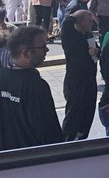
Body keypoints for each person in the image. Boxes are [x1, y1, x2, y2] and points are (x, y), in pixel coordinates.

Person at [0, 25, 62, 149]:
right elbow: (48, 131)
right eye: (43, 47)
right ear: (26, 53)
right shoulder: (36, 86)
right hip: (32, 158)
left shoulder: (2, 76)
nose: (47, 51)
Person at [59, 10, 100, 140]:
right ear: (79, 22)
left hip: (90, 79)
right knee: (74, 113)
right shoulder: (70, 36)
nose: (91, 23)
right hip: (76, 80)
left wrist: (97, 51)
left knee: (88, 112)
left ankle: (82, 137)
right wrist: (77, 15)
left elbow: (100, 51)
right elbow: (67, 22)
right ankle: (66, 139)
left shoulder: (88, 36)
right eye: (89, 20)